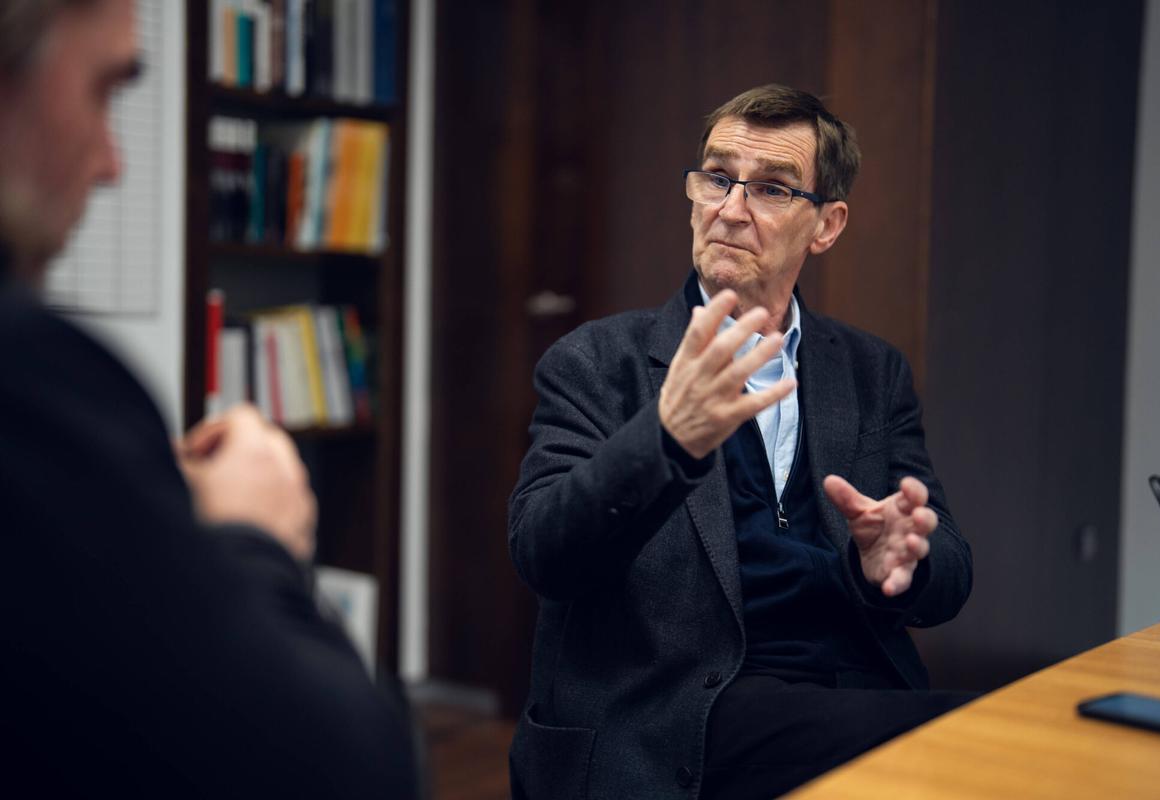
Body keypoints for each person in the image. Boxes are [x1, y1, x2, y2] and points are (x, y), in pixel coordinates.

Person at [508, 84, 975, 800]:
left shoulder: (869, 371)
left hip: (846, 684)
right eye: (718, 178)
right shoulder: (598, 362)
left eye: (771, 189)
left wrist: (889, 564)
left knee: (1003, 734)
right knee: (977, 741)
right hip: (683, 706)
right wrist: (666, 438)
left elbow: (948, 571)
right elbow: (544, 553)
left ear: (826, 225)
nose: (729, 208)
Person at [0, 1, 417, 795]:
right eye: (101, 90)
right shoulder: (33, 382)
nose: (112, 162)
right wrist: (252, 541)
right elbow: (341, 764)